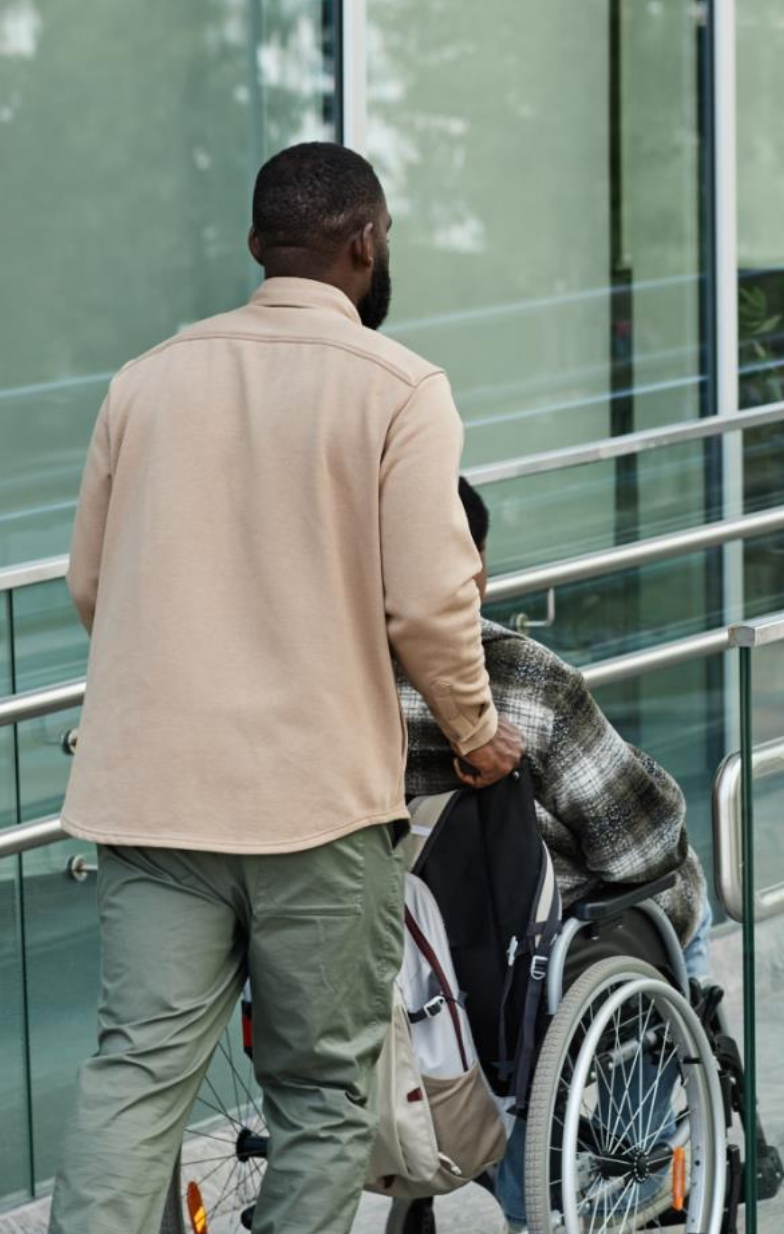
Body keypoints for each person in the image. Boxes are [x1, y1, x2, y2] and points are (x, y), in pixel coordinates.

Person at [50, 143, 522, 1234]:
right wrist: (476, 730)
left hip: (154, 795)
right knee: (320, 1096)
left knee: (133, 1078)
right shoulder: (401, 388)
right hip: (316, 805)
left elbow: (92, 583)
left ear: (259, 247)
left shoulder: (146, 379)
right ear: (366, 244)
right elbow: (428, 605)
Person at [390, 478, 711, 1234]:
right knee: (681, 909)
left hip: (378, 947)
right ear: (473, 566)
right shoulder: (521, 680)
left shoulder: (325, 686)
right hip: (514, 962)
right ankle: (632, 1165)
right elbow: (639, 840)